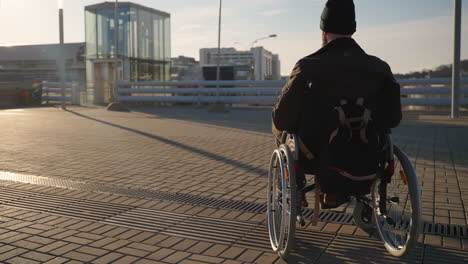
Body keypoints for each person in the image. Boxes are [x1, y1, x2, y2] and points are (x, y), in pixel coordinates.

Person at [272, 0, 402, 208]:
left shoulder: (308, 66)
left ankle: (292, 185)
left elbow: (283, 117)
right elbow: (393, 118)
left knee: (280, 125)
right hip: (368, 149)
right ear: (352, 30)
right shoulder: (379, 67)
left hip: (313, 153)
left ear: (323, 32)